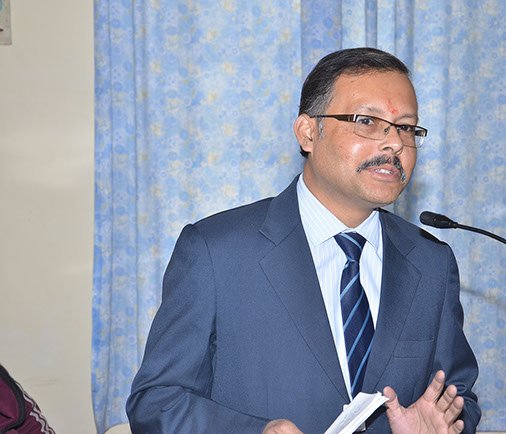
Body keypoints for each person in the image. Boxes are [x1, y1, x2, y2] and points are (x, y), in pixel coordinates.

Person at [127, 47, 481, 433]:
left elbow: (457, 397)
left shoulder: (431, 262)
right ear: (308, 133)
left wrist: (445, 426)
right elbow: (157, 402)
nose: (394, 143)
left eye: (406, 128)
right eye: (367, 121)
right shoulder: (216, 251)